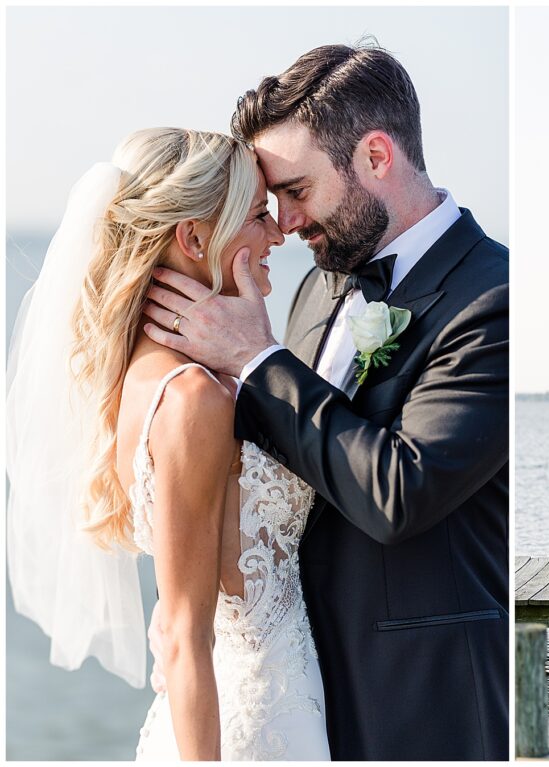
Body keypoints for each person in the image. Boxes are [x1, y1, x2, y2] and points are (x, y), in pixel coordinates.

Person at [143, 43, 509, 760]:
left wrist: (255, 357)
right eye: (271, 199)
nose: (283, 222)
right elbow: (270, 453)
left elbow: (399, 493)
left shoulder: (494, 301)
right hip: (293, 696)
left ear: (376, 156)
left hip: (421, 707)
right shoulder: (321, 282)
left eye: (297, 191)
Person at [7, 128, 332, 759]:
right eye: (258, 215)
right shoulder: (193, 400)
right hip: (257, 721)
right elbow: (184, 632)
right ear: (193, 239)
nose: (277, 235)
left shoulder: (155, 379)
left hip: (268, 696)